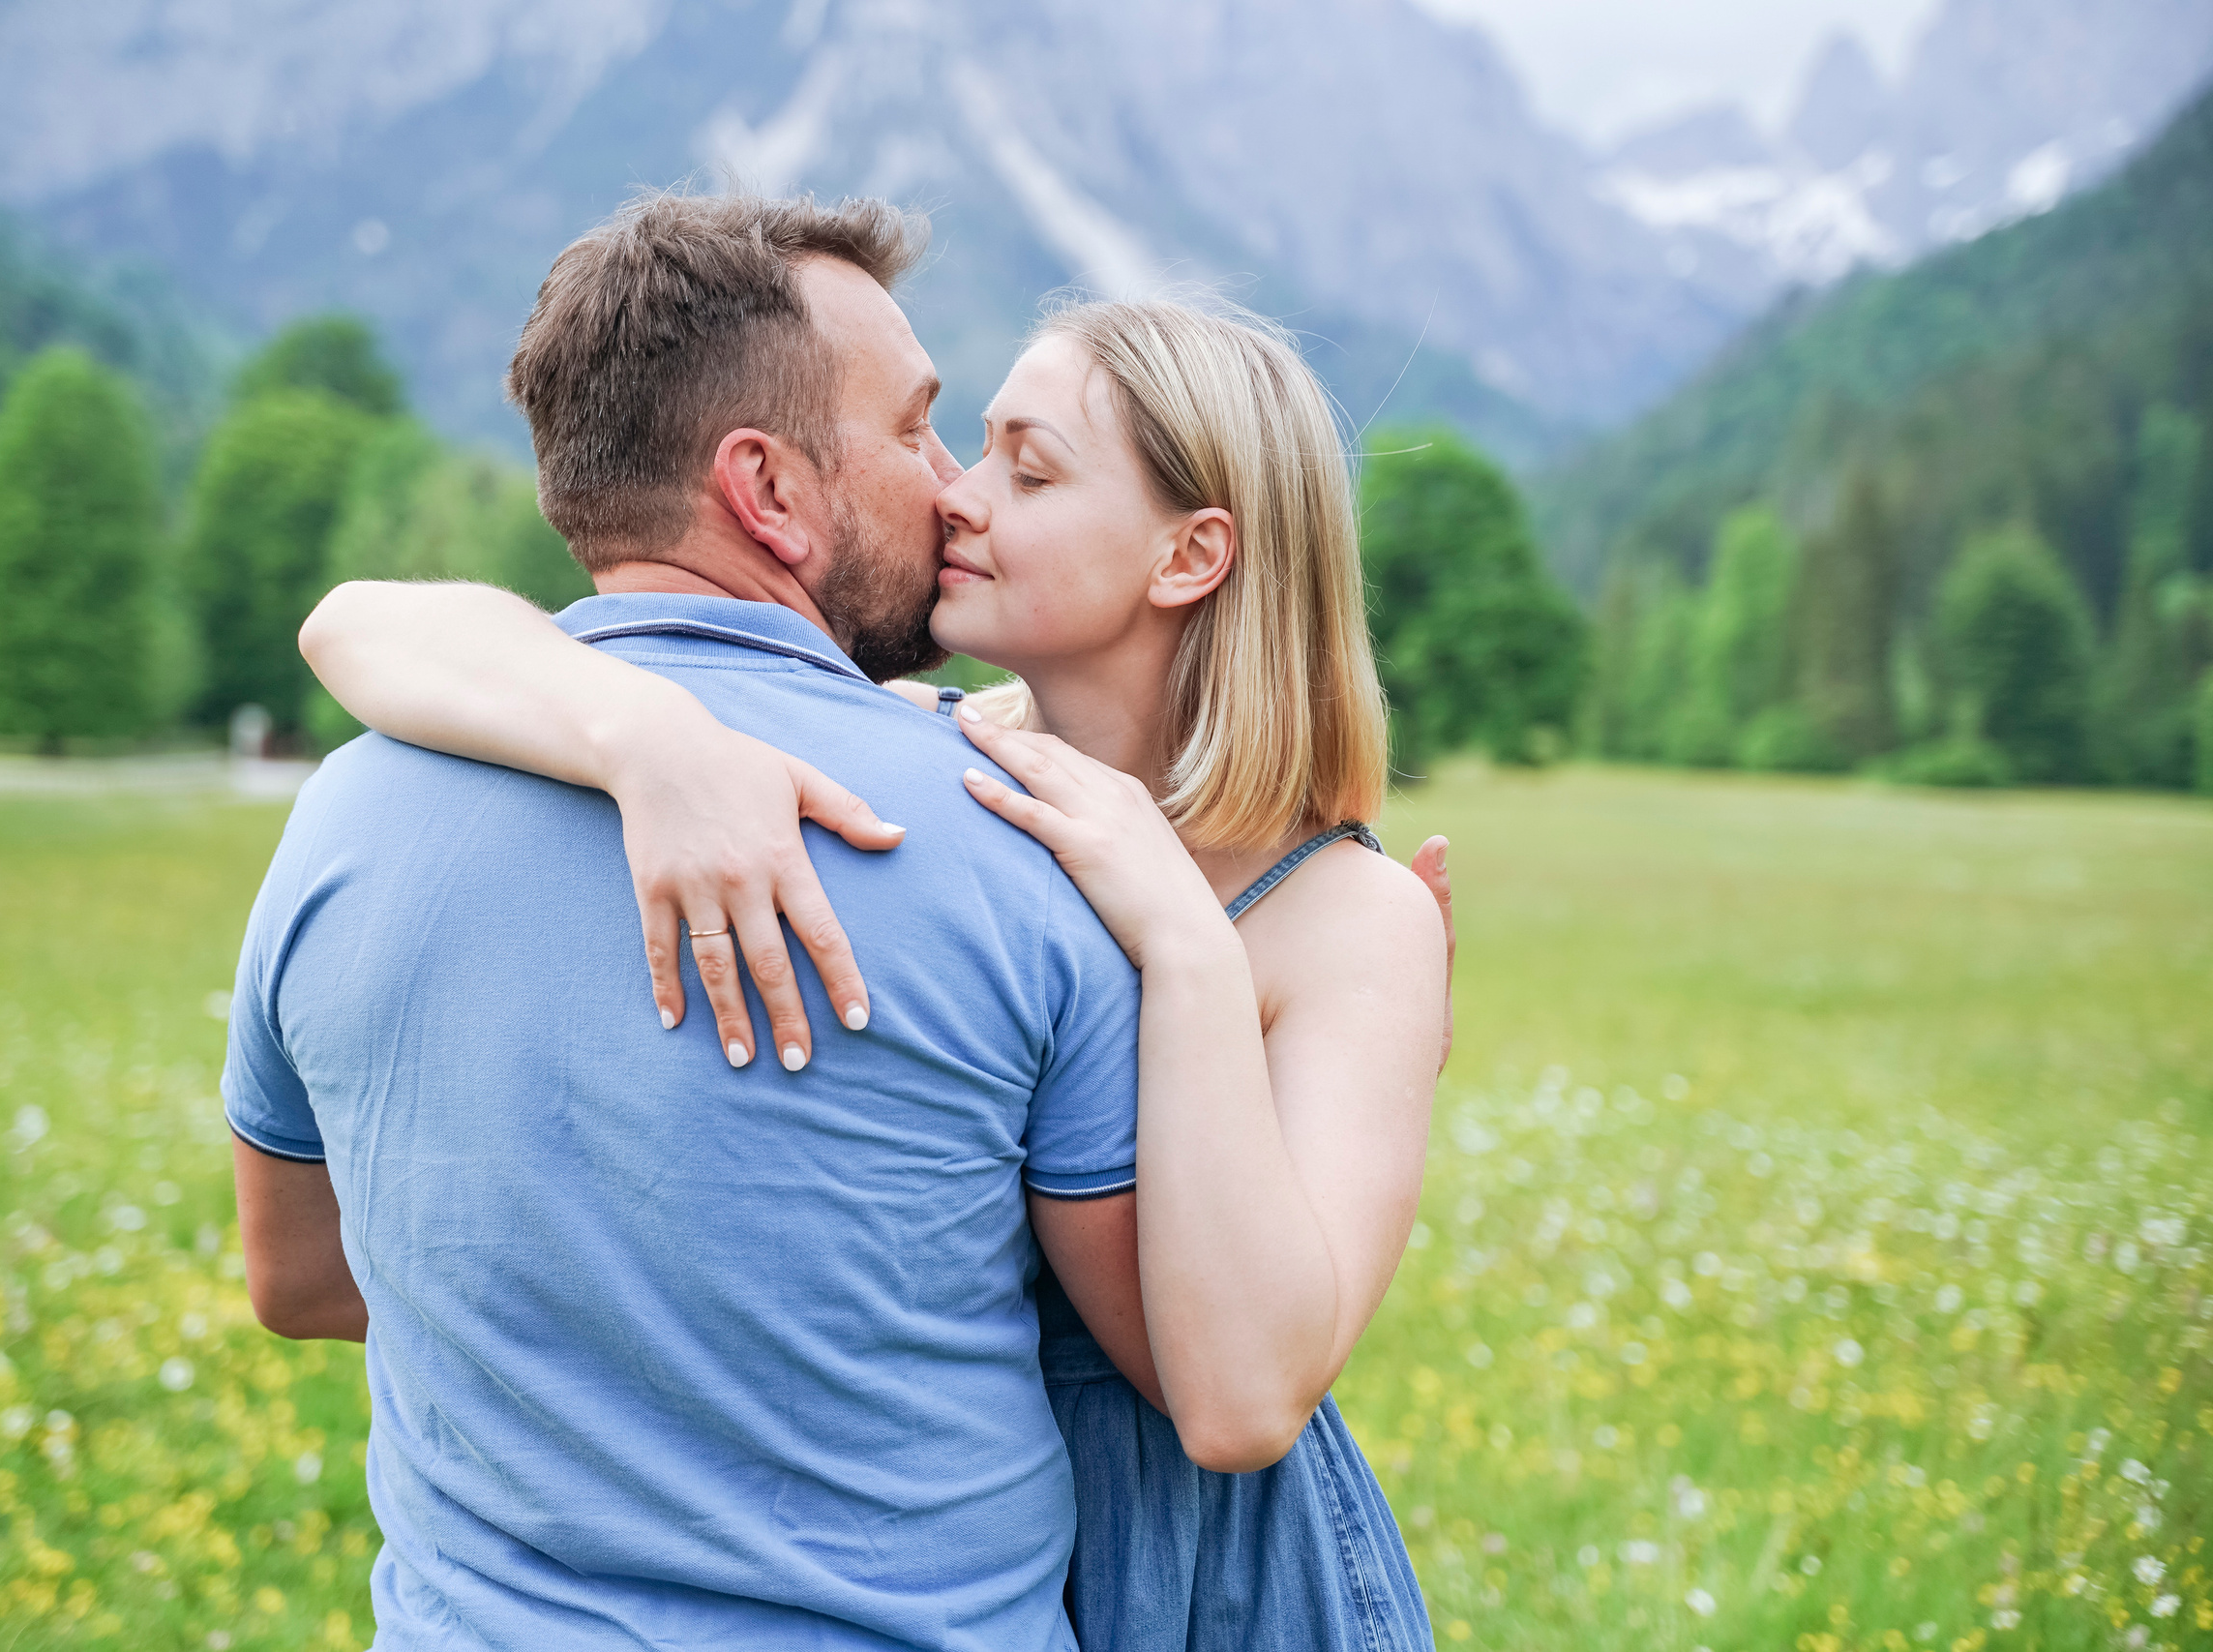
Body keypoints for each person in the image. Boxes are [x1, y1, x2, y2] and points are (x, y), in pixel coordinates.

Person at [302, 285, 1451, 1647]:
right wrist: (640, 733)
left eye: (1029, 470)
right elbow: (355, 629)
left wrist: (1185, 942)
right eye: (969, 447)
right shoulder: (938, 756)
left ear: (1191, 555)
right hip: (926, 1547)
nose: (957, 496)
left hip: (1196, 1582)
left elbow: (1245, 1403)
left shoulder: (1350, 916)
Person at [225, 193, 1158, 1650]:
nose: (955, 484)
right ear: (768, 492)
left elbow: (297, 1279)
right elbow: (1165, 1349)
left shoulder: (338, 819)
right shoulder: (1015, 834)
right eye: (916, 430)